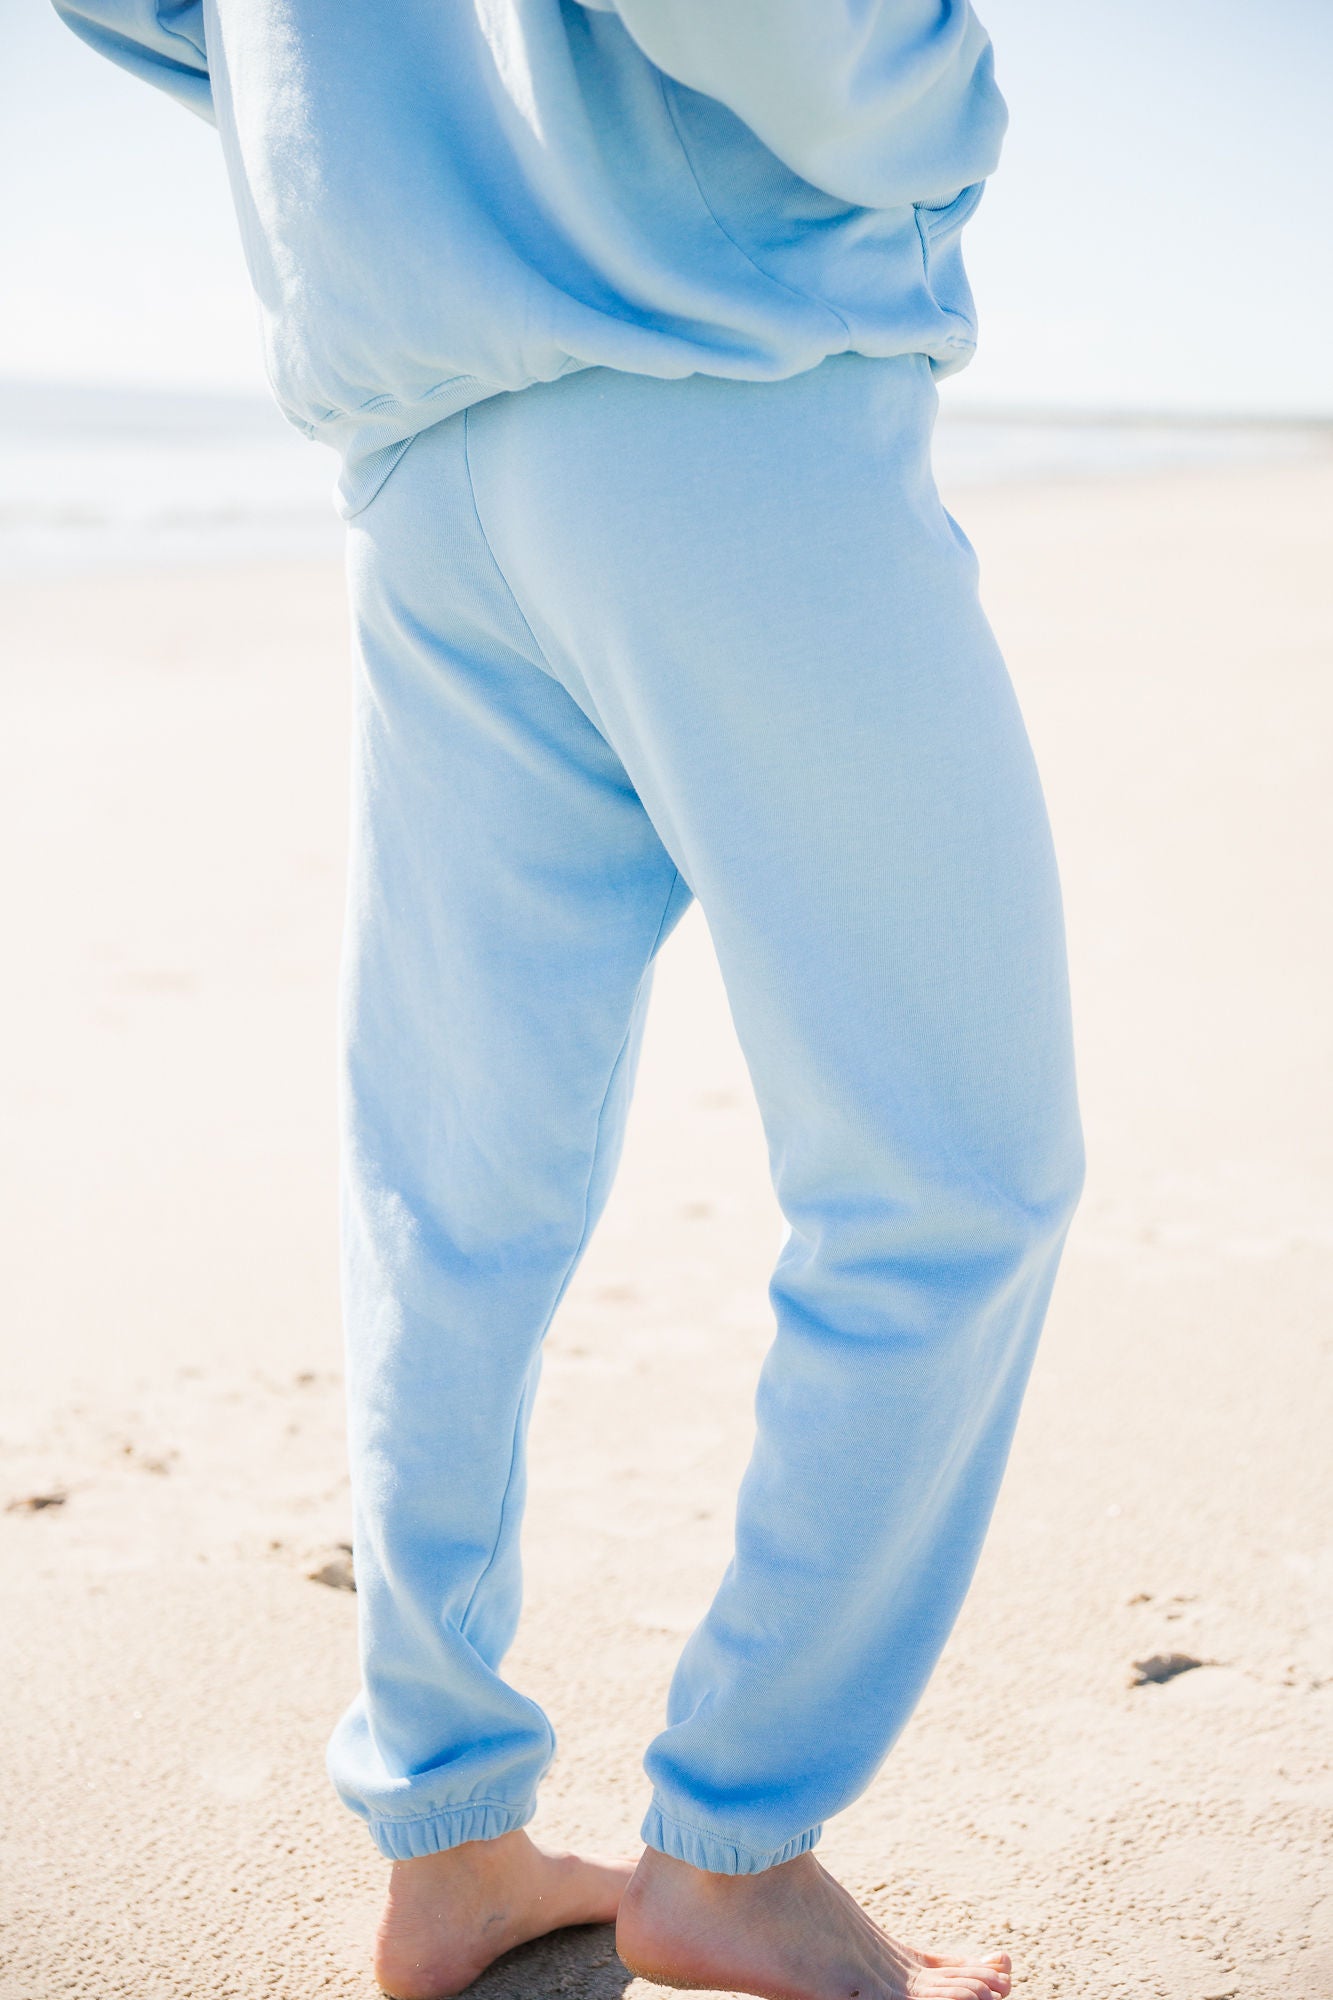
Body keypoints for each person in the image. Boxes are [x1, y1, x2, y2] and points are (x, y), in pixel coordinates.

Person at [52, 3, 1085, 1995]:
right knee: (949, 1177)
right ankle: (733, 1852)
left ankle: (448, 1843)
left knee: (449, 1196)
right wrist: (929, 104)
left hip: (424, 460)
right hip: (721, 377)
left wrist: (331, 113)